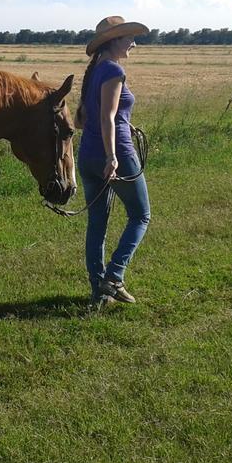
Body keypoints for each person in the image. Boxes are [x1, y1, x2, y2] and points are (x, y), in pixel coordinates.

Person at [76, 16, 151, 307]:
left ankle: (99, 292)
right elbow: (107, 117)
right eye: (128, 37)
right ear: (113, 40)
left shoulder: (94, 69)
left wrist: (124, 121)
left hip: (88, 155)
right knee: (140, 216)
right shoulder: (113, 70)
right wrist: (113, 157)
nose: (134, 43)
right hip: (115, 154)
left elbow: (85, 119)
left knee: (97, 224)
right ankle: (114, 276)